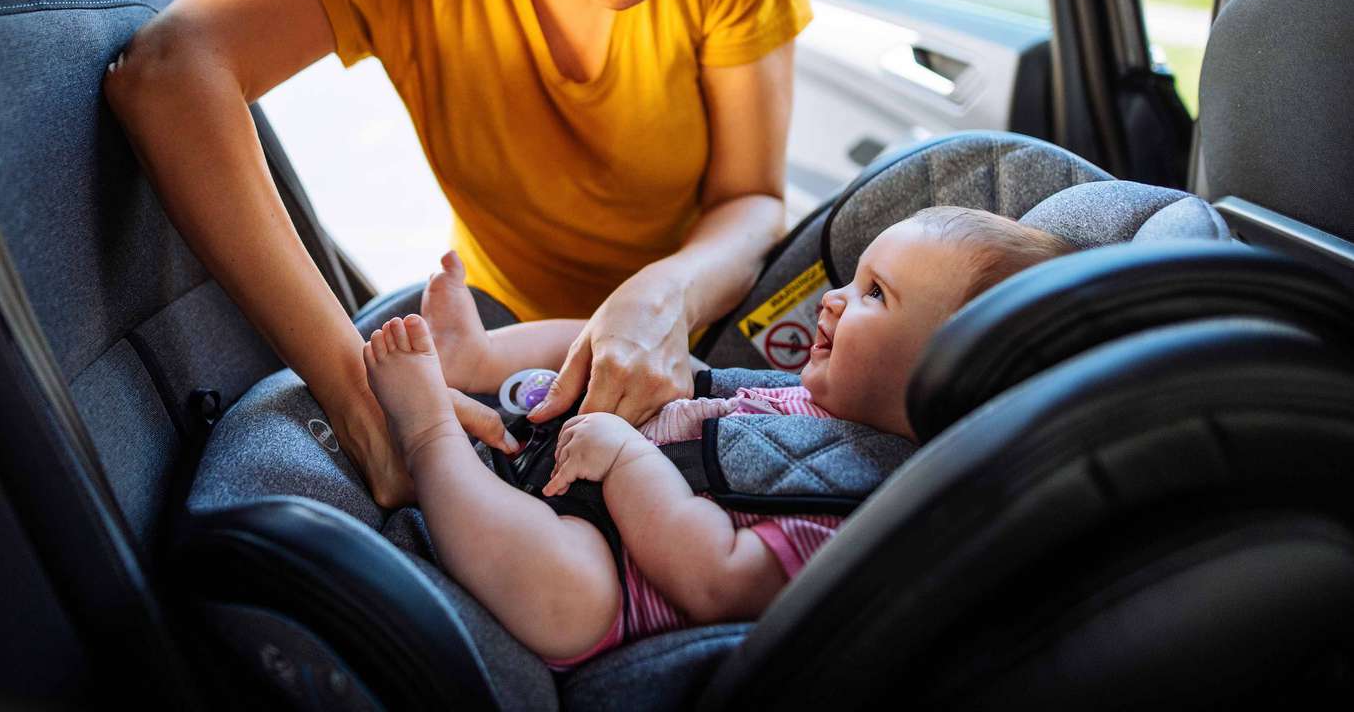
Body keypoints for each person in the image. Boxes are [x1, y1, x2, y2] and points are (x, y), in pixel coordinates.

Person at [104, 0, 811, 507]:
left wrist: (665, 296)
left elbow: (750, 201)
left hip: (700, 320)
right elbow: (167, 73)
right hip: (507, 342)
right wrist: (362, 404)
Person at [363, 207, 1077, 664]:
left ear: (942, 379)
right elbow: (706, 400)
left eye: (873, 296)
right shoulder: (820, 402)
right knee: (646, 349)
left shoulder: (866, 512)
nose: (833, 298)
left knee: (568, 603)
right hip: (595, 451)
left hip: (619, 573)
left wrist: (626, 460)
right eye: (855, 279)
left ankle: (426, 435)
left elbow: (717, 577)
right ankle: (477, 359)